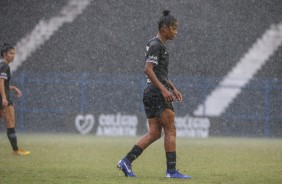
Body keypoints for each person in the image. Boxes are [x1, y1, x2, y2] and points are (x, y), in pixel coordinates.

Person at [117, 10, 191, 179]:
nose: (176, 32)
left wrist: (172, 88)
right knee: (170, 129)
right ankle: (171, 171)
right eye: (174, 28)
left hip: (152, 93)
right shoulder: (157, 45)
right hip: (157, 93)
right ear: (164, 28)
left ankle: (126, 161)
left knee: (155, 133)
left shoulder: (157, 45)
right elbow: (148, 70)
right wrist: (165, 91)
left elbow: (160, 73)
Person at [0, 43, 30, 156]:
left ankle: (16, 150)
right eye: (10, 53)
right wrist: (4, 97)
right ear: (4, 54)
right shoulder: (4, 66)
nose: (13, 56)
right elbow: (1, 82)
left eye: (14, 53)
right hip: (3, 99)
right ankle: (16, 150)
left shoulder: (1, 64)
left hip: (3, 97)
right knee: (10, 123)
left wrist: (13, 88)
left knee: (9, 121)